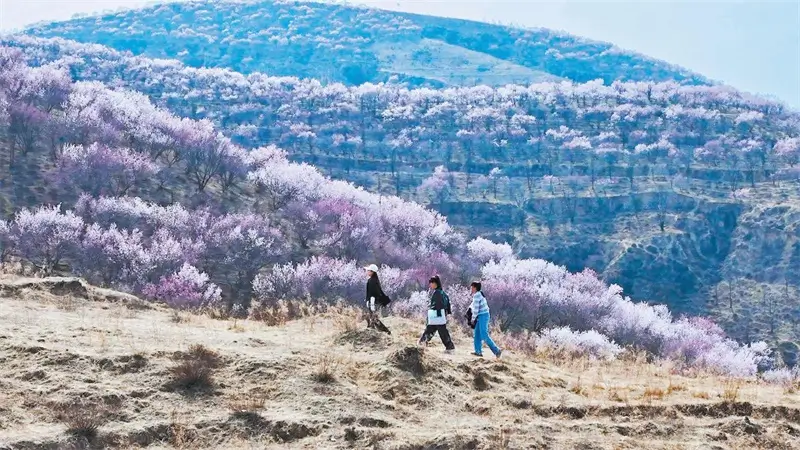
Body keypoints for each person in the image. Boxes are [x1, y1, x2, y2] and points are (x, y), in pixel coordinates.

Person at [418, 275, 455, 353]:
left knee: (441, 331)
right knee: (431, 329)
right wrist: (447, 312)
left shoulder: (437, 292)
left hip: (437, 314)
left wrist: (432, 313)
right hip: (440, 314)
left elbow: (437, 304)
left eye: (431, 283)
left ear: (435, 283)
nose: (430, 285)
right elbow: (448, 303)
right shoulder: (442, 292)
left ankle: (450, 347)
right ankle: (422, 344)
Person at [469, 281, 501, 358]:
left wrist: (472, 319)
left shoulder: (477, 295)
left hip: (483, 316)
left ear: (475, 287)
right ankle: (478, 352)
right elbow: (474, 306)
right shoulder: (479, 294)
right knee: (477, 334)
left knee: (484, 335)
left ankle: (497, 351)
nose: (471, 289)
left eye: (471, 287)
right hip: (482, 316)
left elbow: (476, 309)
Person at [364, 264, 391, 334]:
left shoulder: (372, 281)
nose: (367, 272)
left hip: (373, 302)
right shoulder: (374, 280)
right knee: (371, 317)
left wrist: (371, 303)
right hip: (374, 302)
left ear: (372, 272)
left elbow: (374, 293)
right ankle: (372, 330)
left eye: (368, 270)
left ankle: (385, 331)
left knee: (374, 318)